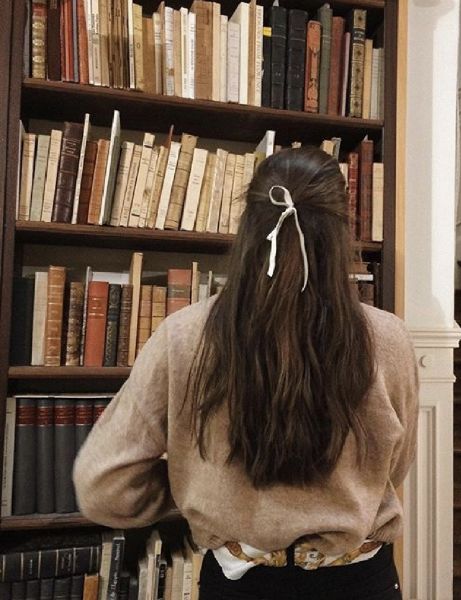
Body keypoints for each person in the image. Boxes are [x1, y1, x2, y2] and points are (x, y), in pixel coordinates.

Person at [74, 147, 419, 600]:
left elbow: (102, 485)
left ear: (249, 227)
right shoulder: (389, 340)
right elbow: (395, 466)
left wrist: (195, 486)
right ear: (341, 232)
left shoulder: (183, 336)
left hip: (240, 584)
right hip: (360, 583)